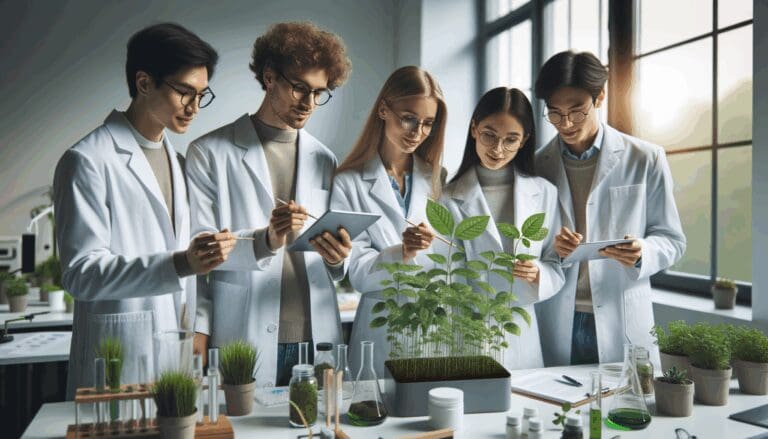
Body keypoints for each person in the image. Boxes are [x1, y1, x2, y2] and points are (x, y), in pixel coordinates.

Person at [54, 23, 235, 398]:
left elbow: (193, 263)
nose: (195, 108)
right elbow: (81, 275)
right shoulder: (88, 160)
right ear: (144, 82)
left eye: (203, 95)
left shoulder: (182, 162)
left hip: (178, 352)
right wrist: (180, 263)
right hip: (119, 353)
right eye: (185, 92)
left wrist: (199, 325)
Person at [186, 21, 353, 386]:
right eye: (299, 88)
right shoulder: (209, 152)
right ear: (269, 77)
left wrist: (338, 257)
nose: (309, 103)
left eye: (319, 92)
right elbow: (197, 250)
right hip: (244, 329)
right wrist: (267, 239)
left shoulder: (325, 159)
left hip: (315, 333)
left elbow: (335, 264)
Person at [533, 50, 686, 367]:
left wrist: (642, 250)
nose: (566, 123)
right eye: (555, 113)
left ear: (599, 97)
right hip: (556, 313)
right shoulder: (536, 165)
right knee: (558, 413)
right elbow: (527, 244)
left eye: (577, 111)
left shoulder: (645, 158)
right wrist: (554, 247)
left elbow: (672, 239)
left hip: (621, 311)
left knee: (623, 409)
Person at [330, 66, 447, 376]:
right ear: (383, 109)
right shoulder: (348, 182)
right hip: (380, 327)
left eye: (427, 124)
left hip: (432, 326)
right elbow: (356, 272)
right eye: (408, 118)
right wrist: (403, 252)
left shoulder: (437, 179)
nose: (417, 132)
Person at [440, 87, 564, 370]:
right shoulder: (447, 198)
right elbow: (445, 275)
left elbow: (556, 262)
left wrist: (538, 274)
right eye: (489, 135)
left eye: (511, 140)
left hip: (521, 332)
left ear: (525, 141)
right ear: (474, 129)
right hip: (465, 332)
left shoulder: (544, 193)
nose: (497, 149)